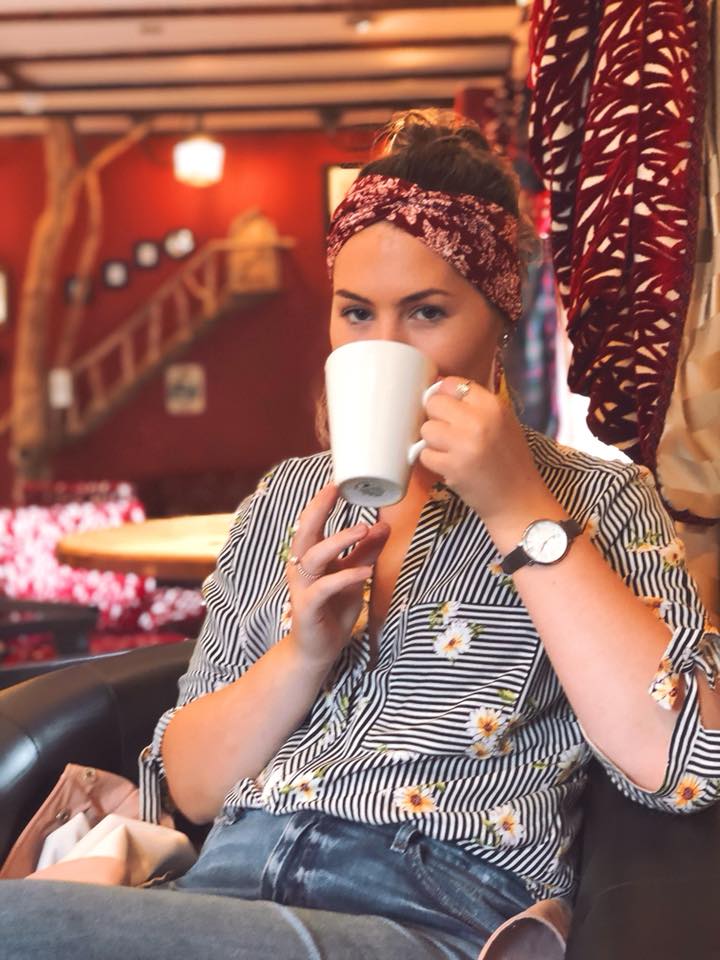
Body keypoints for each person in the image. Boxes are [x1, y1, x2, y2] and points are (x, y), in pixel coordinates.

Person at [3, 109, 720, 960]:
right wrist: (302, 653)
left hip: (426, 911)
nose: (383, 344)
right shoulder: (285, 500)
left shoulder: (595, 498)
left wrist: (518, 508)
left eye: (425, 312)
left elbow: (686, 765)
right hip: (222, 893)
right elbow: (189, 789)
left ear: (498, 317)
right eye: (355, 312)